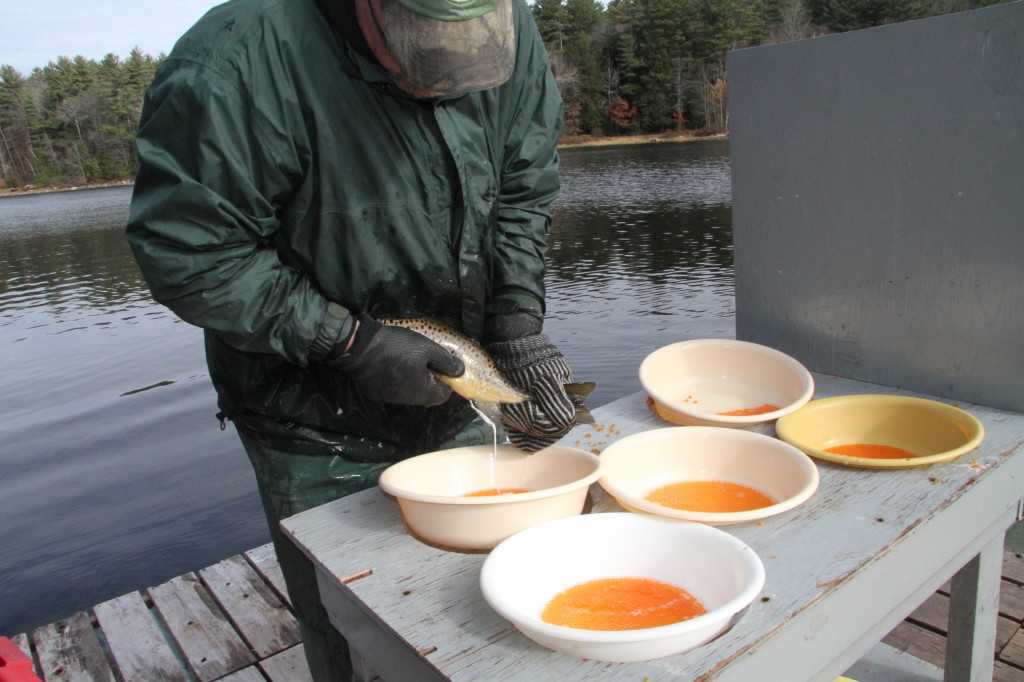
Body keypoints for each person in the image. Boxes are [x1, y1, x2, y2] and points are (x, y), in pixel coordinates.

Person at [125, 0, 578, 678]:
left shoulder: (507, 24)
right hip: (311, 422)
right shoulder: (235, 61)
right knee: (352, 627)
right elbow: (191, 253)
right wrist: (346, 343)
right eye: (422, 48)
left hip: (456, 391)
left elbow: (521, 190)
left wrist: (515, 316)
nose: (446, 76)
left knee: (482, 604)